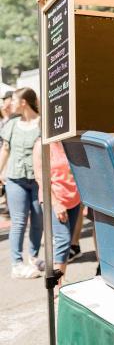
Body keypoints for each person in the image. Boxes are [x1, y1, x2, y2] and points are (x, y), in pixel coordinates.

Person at [0, 88, 44, 279]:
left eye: (15, 100)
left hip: (37, 180)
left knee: (38, 219)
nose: (11, 103)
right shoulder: (11, 124)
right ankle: (17, 264)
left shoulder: (42, 123)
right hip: (15, 179)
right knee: (18, 221)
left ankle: (33, 258)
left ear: (24, 102)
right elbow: (5, 150)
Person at [32, 139, 81, 285]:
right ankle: (56, 286)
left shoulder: (68, 141)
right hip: (54, 200)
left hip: (73, 198)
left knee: (66, 242)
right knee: (63, 240)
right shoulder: (41, 144)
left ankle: (61, 280)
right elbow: (40, 177)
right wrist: (56, 203)